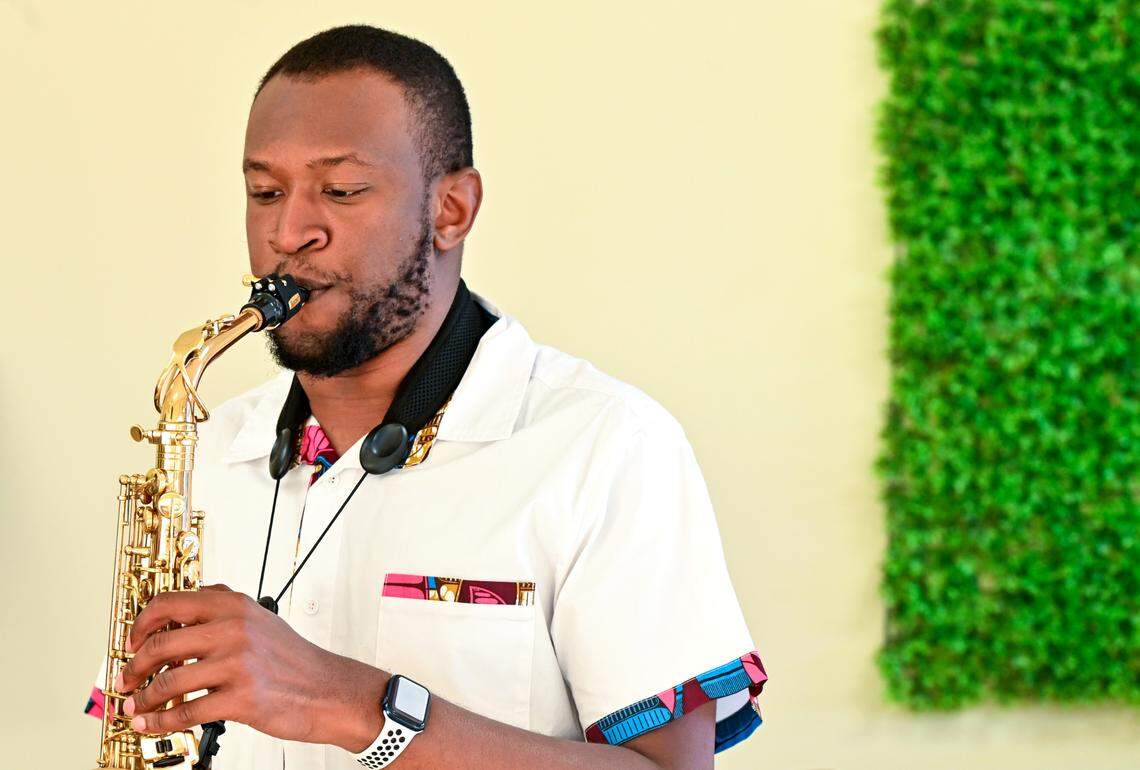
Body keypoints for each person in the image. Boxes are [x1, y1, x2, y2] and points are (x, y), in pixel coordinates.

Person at [86, 24, 767, 769]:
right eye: (264, 192)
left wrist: (354, 704)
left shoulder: (607, 445)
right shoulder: (204, 455)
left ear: (452, 210)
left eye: (341, 191)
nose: (288, 232)